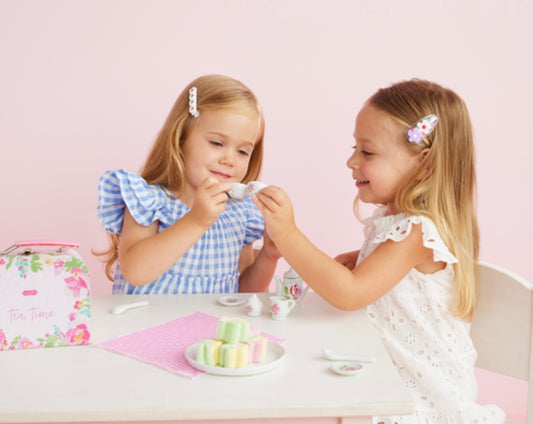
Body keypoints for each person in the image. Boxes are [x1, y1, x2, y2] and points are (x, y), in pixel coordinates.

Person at [254, 79, 505, 423]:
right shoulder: (402, 226)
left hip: (417, 405)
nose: (351, 160)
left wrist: (288, 233)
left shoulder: (417, 231)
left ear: (424, 164)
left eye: (367, 152)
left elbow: (349, 294)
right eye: (355, 147)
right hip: (381, 387)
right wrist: (361, 260)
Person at [96, 74, 280, 295]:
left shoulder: (240, 214)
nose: (229, 160)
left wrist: (269, 257)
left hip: (209, 328)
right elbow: (135, 272)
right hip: (146, 326)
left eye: (242, 151)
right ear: (181, 136)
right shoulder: (150, 201)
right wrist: (197, 220)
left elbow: (242, 293)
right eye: (217, 143)